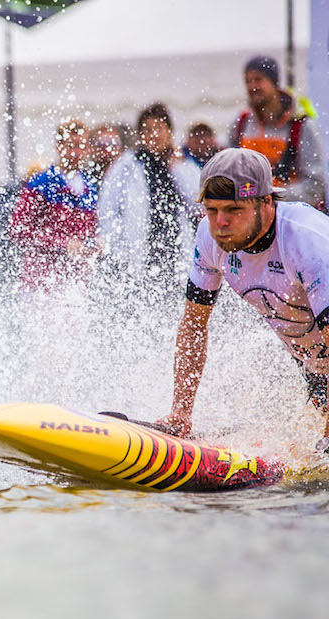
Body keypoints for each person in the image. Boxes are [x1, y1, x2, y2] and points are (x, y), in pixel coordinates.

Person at [159, 148, 329, 450]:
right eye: (212, 210)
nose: (220, 223)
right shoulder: (209, 238)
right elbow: (194, 326)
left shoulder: (307, 240)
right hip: (314, 362)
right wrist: (181, 414)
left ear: (265, 202)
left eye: (233, 210)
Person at [98, 103, 199, 298]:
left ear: (169, 132)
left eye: (159, 129)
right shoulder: (127, 164)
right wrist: (118, 250)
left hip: (175, 250)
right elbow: (107, 209)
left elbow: (198, 202)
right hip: (138, 253)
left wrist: (176, 167)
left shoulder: (182, 164)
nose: (154, 135)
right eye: (147, 130)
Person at [9, 120, 100, 292]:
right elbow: (17, 229)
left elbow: (91, 231)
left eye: (81, 146)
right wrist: (61, 244)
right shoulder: (41, 183)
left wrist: (96, 243)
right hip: (41, 283)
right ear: (58, 147)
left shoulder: (90, 188)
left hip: (77, 283)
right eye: (71, 146)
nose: (76, 153)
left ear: (88, 149)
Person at [229, 54, 325, 208]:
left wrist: (272, 197)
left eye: (258, 80)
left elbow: (315, 185)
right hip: (250, 217)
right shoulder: (241, 123)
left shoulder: (301, 126)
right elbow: (228, 173)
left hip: (290, 215)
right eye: (247, 81)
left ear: (275, 83)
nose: (252, 87)